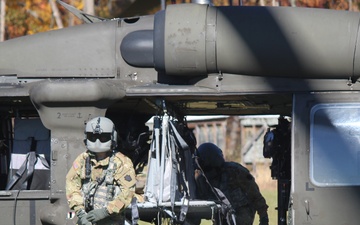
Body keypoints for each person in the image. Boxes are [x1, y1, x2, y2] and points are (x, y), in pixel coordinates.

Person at [66, 116, 137, 225]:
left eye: (104, 137)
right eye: (92, 137)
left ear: (112, 137)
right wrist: (81, 213)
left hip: (111, 220)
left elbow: (128, 193)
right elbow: (72, 186)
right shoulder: (82, 160)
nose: (97, 142)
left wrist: (106, 211)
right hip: (87, 219)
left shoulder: (122, 163)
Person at [194, 142, 269, 225]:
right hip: (222, 219)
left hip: (242, 217)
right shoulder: (203, 180)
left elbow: (255, 195)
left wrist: (264, 218)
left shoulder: (235, 171)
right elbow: (199, 206)